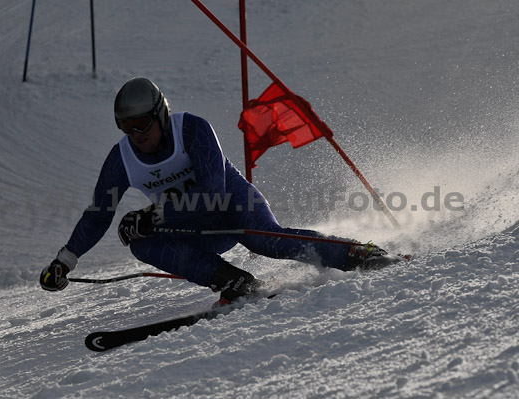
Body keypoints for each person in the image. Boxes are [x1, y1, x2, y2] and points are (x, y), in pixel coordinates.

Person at [40, 77, 394, 303]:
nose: (136, 134)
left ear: (161, 115)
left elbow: (214, 190)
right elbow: (99, 212)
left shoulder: (192, 130)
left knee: (265, 240)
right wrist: (65, 261)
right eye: (126, 127)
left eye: (142, 123)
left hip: (231, 205)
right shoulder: (122, 159)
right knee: (136, 238)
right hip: (193, 228)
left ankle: (356, 253)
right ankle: (232, 280)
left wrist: (154, 215)